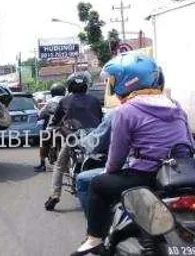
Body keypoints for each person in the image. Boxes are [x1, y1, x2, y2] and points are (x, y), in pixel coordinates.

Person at [71, 54, 193, 256]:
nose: (111, 85)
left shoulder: (126, 111)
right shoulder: (176, 106)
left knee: (94, 183)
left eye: (113, 80)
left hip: (145, 176)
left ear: (126, 81)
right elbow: (189, 144)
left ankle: (95, 239)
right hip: (178, 175)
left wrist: (108, 173)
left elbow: (116, 159)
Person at [75, 68, 166, 219]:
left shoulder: (123, 111)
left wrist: (81, 143)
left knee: (85, 180)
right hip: (172, 171)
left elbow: (113, 157)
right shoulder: (173, 106)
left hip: (142, 172)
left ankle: (96, 235)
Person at [44, 72, 103, 211]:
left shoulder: (64, 101)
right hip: (94, 137)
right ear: (86, 85)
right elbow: (100, 119)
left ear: (69, 86)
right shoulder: (94, 100)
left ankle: (54, 195)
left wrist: (54, 126)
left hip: (73, 138)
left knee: (59, 165)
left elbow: (56, 120)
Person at [34, 83, 66, 172]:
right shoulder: (68, 100)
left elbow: (41, 114)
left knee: (43, 143)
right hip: (66, 129)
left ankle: (42, 164)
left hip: (51, 129)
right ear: (64, 92)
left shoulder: (50, 102)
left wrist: (40, 116)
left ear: (52, 92)